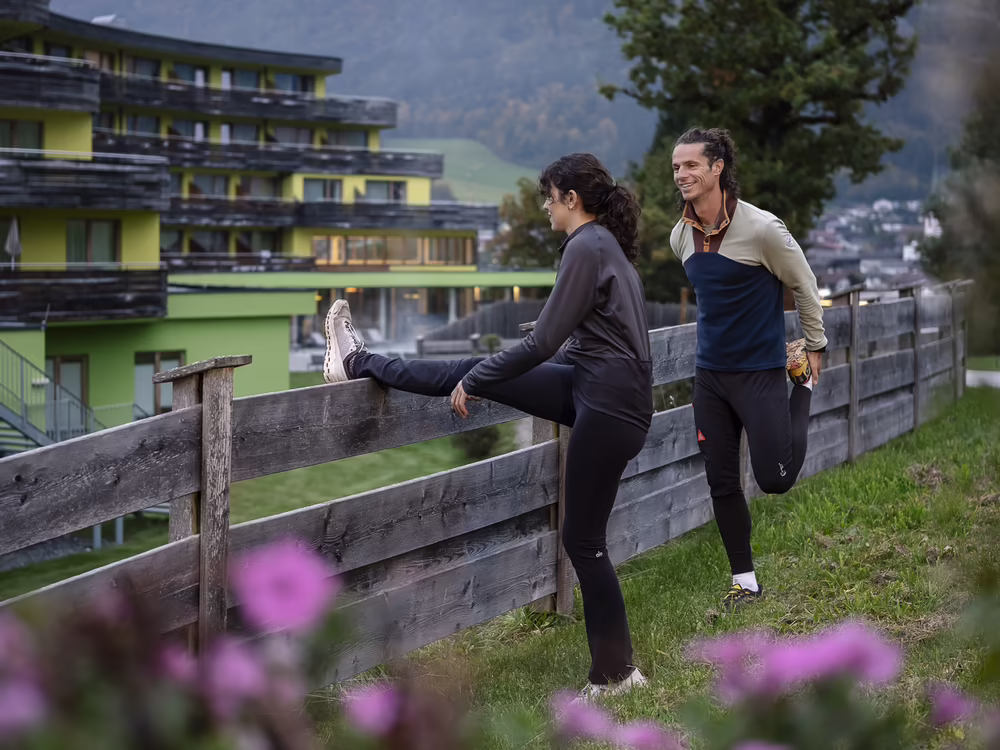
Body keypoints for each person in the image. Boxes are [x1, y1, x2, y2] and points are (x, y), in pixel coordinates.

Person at [322, 153, 654, 700]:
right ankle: (356, 362)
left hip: (609, 407)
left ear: (572, 200)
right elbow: (596, 336)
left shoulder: (587, 246)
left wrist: (479, 379)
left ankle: (617, 674)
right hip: (598, 390)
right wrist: (480, 376)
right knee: (467, 370)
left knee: (583, 539)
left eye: (550, 198)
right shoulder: (603, 247)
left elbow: (542, 341)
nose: (546, 208)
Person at [668, 127, 827, 611]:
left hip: (760, 373)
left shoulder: (763, 230)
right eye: (676, 167)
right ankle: (745, 580)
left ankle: (803, 387)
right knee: (721, 480)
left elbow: (804, 284)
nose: (682, 175)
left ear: (717, 168)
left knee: (775, 479)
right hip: (710, 377)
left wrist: (814, 344)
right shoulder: (681, 237)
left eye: (691, 165)